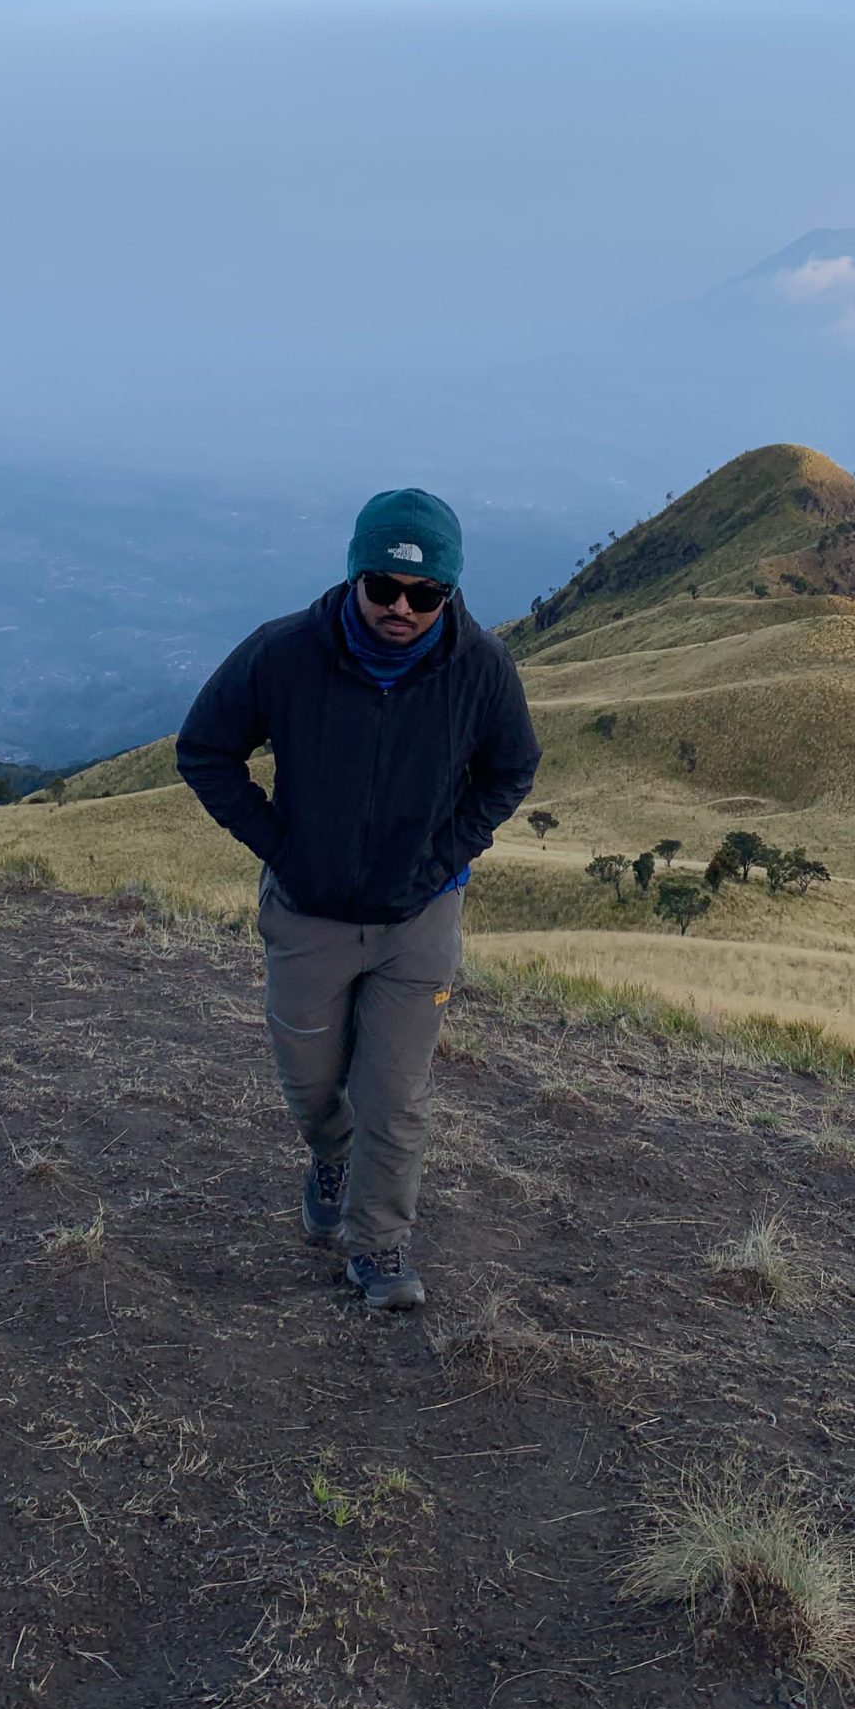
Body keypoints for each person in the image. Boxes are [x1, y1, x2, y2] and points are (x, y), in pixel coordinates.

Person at [177, 488, 542, 1310]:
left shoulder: (480, 668)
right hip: (309, 915)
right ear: (354, 577)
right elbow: (204, 749)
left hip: (419, 922)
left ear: (450, 592)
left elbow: (512, 769)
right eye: (384, 586)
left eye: (426, 594)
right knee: (310, 1081)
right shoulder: (284, 654)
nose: (402, 608)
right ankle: (330, 1156)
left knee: (396, 1095)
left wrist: (441, 858)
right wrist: (283, 847)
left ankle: (378, 1246)